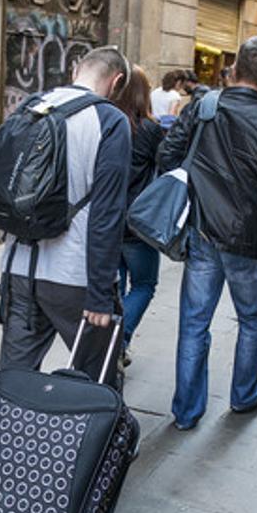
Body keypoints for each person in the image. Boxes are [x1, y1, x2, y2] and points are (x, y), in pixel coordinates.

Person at [158, 37, 257, 431]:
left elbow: (167, 157)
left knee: (194, 322)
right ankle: (245, 395)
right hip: (253, 239)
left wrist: (196, 192)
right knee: (253, 319)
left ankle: (187, 411)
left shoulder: (203, 109)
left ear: (235, 67)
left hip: (204, 233)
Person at [0, 46, 132, 388]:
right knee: (97, 379)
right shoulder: (110, 121)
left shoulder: (30, 107)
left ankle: (7, 437)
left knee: (15, 379)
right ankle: (92, 441)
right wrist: (101, 294)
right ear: (116, 82)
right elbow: (106, 213)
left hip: (18, 266)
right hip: (74, 275)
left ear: (76, 70)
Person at [112, 64, 165, 364]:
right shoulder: (151, 129)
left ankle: (116, 341)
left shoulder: (105, 122)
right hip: (138, 223)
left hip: (108, 220)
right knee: (144, 285)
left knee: (116, 283)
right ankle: (120, 339)